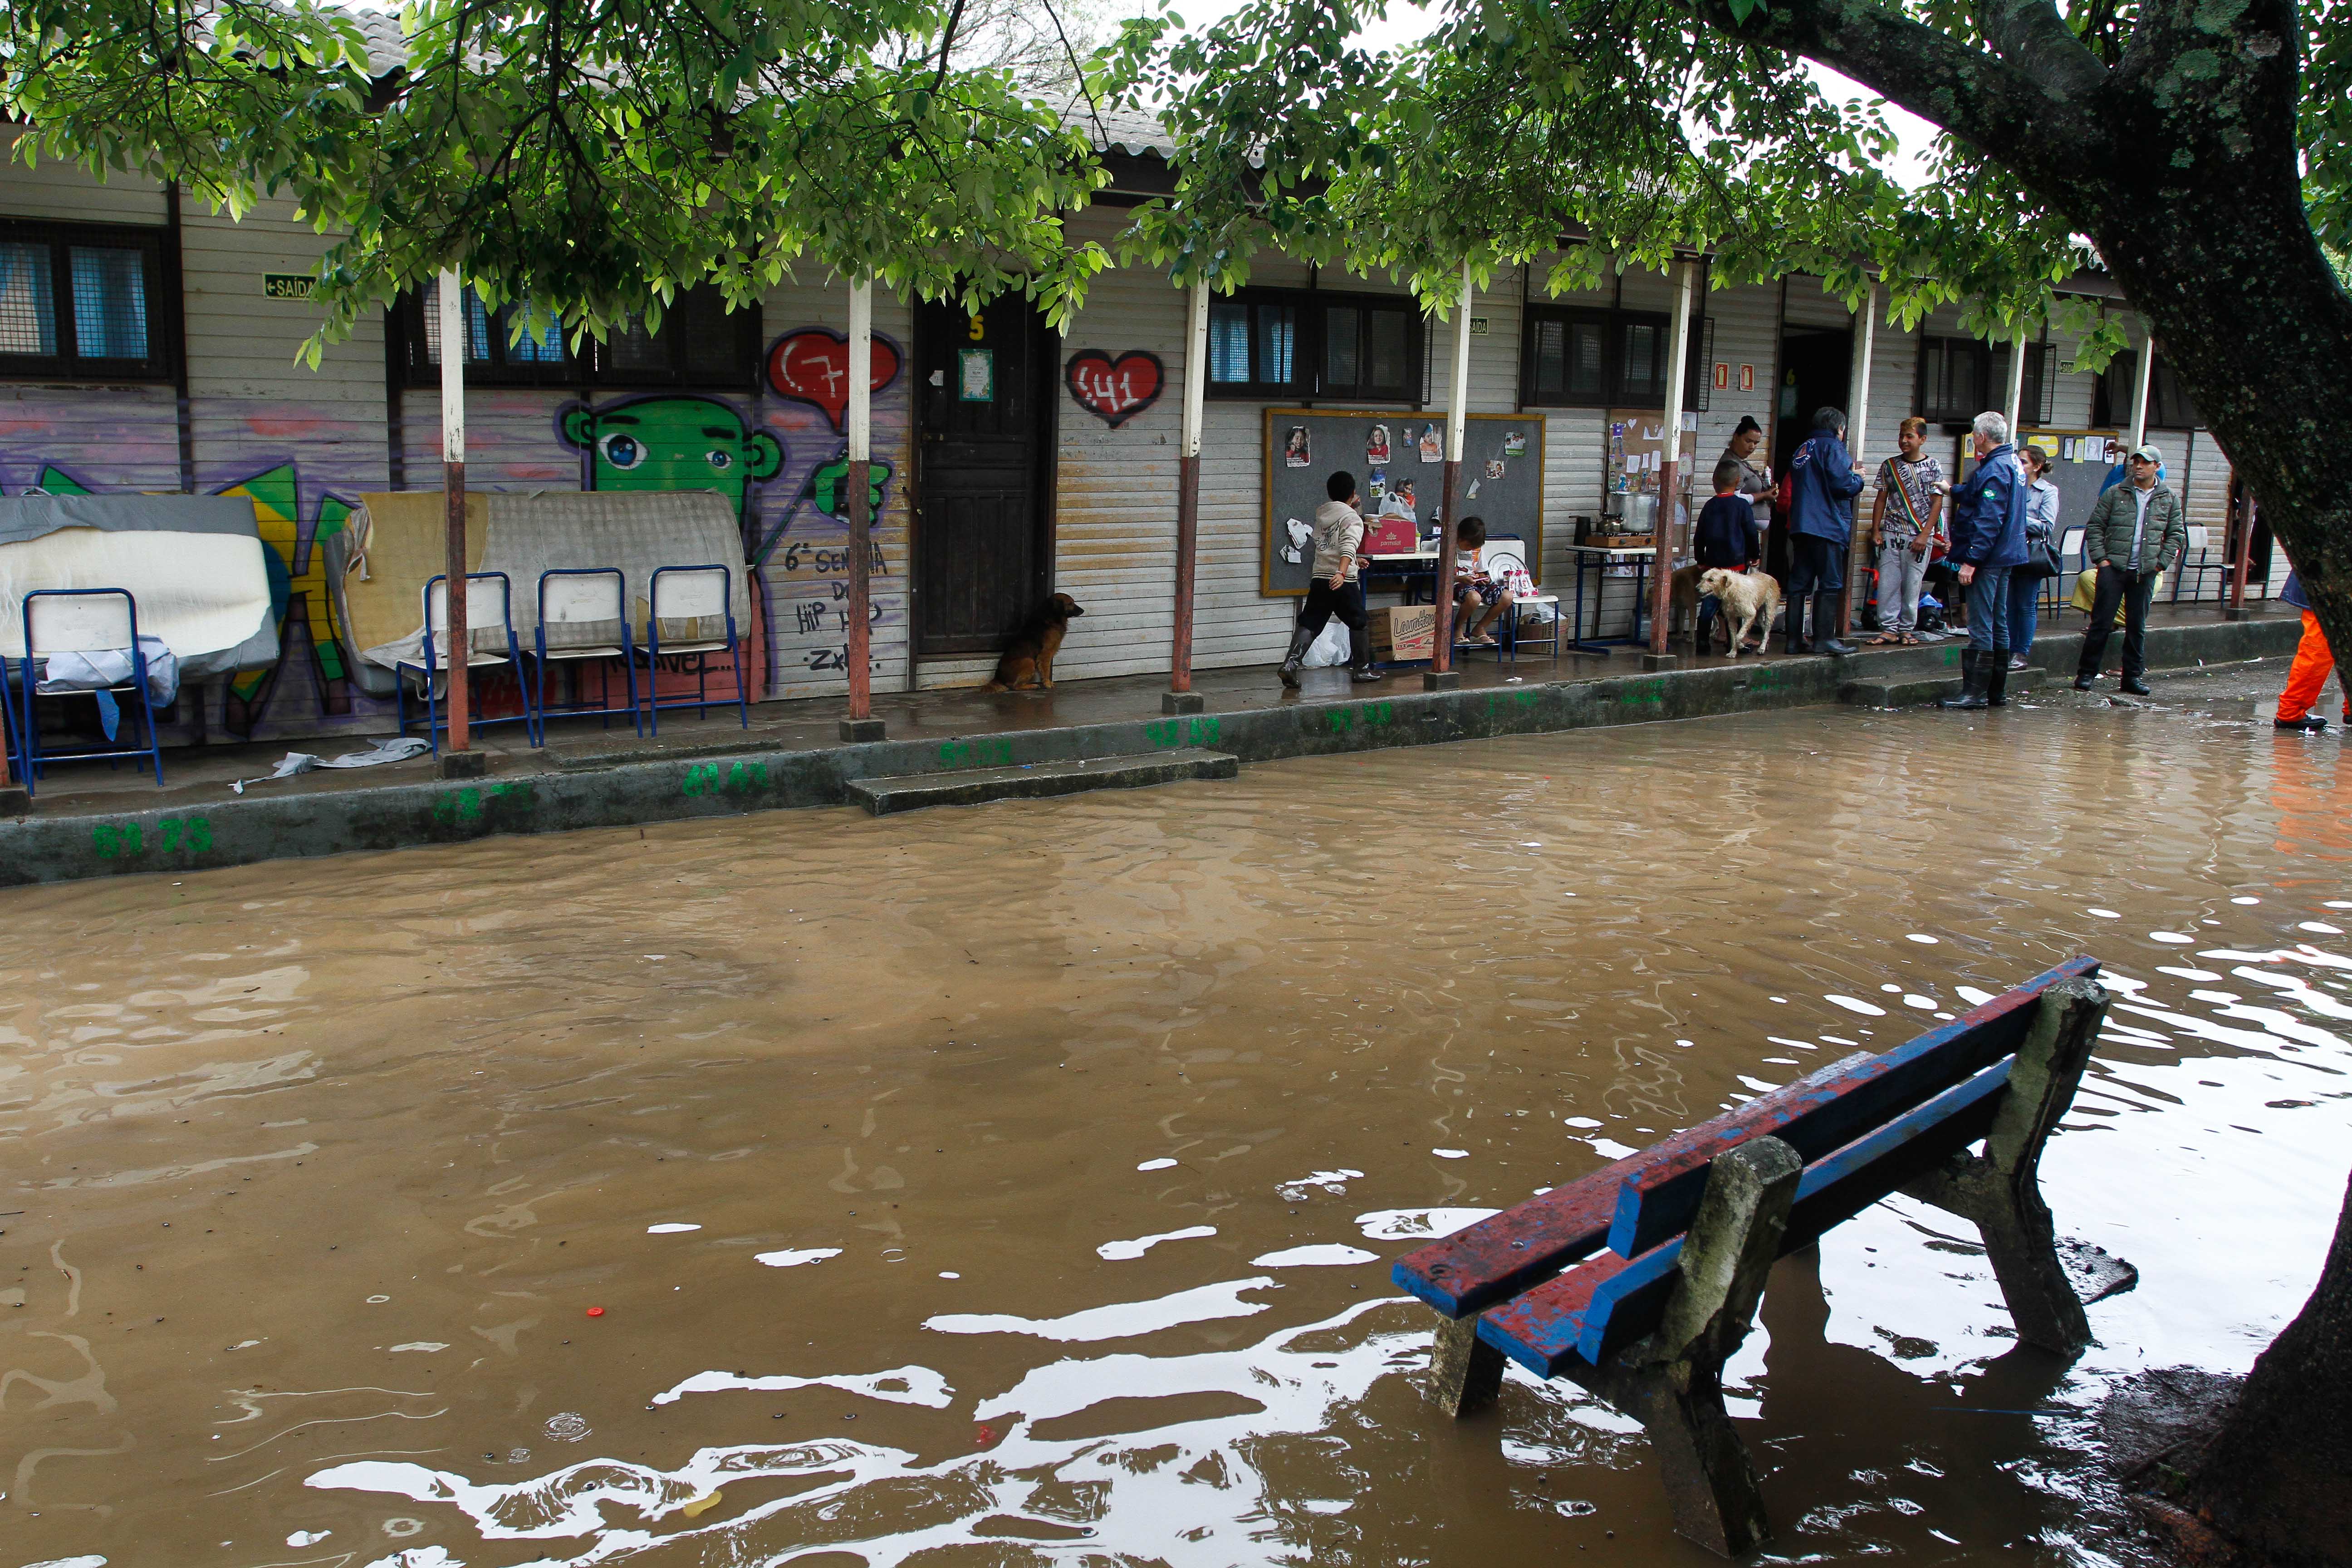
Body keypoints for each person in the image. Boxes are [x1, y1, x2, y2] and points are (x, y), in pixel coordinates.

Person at [2073, 442, 2187, 695]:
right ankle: (2086, 674)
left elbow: (2176, 533)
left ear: (2157, 467)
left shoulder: (2168, 498)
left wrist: (2161, 563)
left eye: (2145, 462)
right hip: (2113, 568)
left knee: (2137, 626)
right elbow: (2095, 527)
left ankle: (2132, 677)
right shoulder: (2116, 492)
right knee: (2101, 623)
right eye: (2136, 461)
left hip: (2146, 570)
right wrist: (2101, 559)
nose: (2138, 466)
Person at [1936, 411, 2030, 710]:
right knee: (1998, 620)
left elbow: (1989, 519)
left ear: (1981, 437)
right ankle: (1995, 692)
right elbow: (1981, 495)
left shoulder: (1995, 469)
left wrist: (1971, 561)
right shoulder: (2012, 463)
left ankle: (1974, 694)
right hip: (2007, 556)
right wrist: (1954, 490)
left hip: (1989, 558)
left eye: (1975, 434)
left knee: (1981, 622)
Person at [1279, 470, 1382, 688]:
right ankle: (1362, 670)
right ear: (1353, 494)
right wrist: (1343, 572)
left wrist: (1355, 560)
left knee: (1311, 622)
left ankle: (1290, 664)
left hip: (1320, 577)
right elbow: (1347, 546)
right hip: (1341, 580)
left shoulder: (1323, 515)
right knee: (1359, 622)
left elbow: (1330, 546)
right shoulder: (1352, 518)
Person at [1785, 406, 1865, 655]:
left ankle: (1793, 641)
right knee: (1830, 583)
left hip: (1801, 525)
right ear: (1839, 429)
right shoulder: (1832, 447)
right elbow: (1843, 485)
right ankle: (1824, 639)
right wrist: (1858, 478)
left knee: (1799, 585)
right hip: (1827, 525)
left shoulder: (1803, 448)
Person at [1864, 416, 1945, 646]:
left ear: (1923, 439)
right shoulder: (1890, 465)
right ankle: (1888, 629)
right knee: (1888, 583)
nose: (1904, 441)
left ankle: (1907, 628)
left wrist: (1925, 534)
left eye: (1909, 436)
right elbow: (1881, 499)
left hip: (1918, 536)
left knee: (1912, 585)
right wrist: (1876, 530)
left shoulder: (1933, 466)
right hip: (1892, 533)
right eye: (1901, 436)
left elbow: (1937, 503)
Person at [1693, 459, 1764, 651]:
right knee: (1737, 605)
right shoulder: (1742, 506)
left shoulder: (1709, 506)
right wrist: (1754, 555)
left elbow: (1699, 536)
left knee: (1709, 605)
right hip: (1737, 567)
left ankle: (1702, 643)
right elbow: (1751, 533)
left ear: (1714, 481)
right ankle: (1734, 643)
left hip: (1714, 567)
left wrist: (1701, 560)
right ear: (1738, 481)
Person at [2271, 569, 2346, 733]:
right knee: (2320, 645)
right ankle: (2291, 711)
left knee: (2320, 644)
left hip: (2325, 574)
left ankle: (2291, 710)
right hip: (2331, 578)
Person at [2008, 443, 2061, 668]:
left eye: (2024, 462)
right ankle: (2007, 648)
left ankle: (2021, 652)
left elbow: (2047, 527)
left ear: (2037, 466)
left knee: (2026, 604)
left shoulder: (2048, 491)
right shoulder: (2014, 485)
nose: (2019, 465)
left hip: (2031, 552)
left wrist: (2018, 517)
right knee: (2007, 603)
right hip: (2009, 551)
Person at [1451, 514, 1516, 646]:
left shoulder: (1476, 549)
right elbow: (1439, 574)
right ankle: (1457, 629)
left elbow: (1481, 571)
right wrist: (1459, 578)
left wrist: (1482, 578)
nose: (1471, 549)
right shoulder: (1446, 547)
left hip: (1474, 584)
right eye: (1468, 545)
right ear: (1459, 536)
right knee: (1475, 598)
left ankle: (1480, 628)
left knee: (1507, 597)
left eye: (1473, 547)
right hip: (1456, 584)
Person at [1722, 416, 1774, 536]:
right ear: (1736, 437)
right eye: (1748, 441)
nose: (1752, 447)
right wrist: (1764, 495)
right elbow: (1734, 499)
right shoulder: (1732, 464)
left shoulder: (1740, 461)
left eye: (1756, 443)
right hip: (1740, 530)